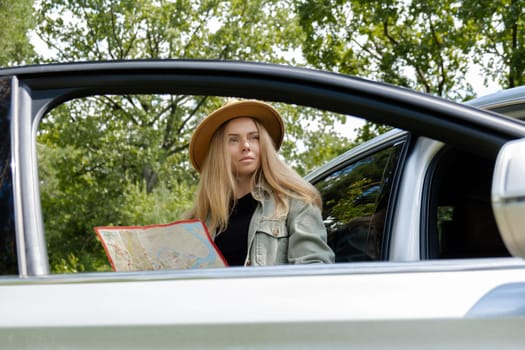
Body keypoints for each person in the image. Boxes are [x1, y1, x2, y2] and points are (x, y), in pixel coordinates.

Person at [185, 99, 334, 266]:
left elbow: (314, 271)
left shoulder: (296, 203)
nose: (246, 146)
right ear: (219, 152)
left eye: (254, 138)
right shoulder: (200, 219)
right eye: (233, 140)